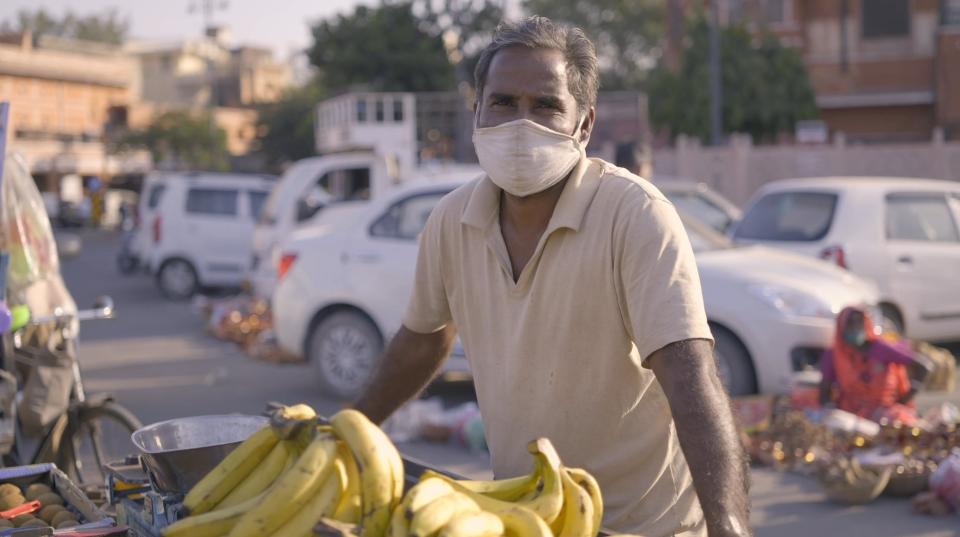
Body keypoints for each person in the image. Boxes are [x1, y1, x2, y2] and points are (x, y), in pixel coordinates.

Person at [353, 17, 749, 537]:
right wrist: (347, 432)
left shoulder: (635, 215)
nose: (521, 125)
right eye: (502, 103)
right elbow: (422, 341)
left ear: (583, 125)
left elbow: (688, 371)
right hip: (522, 517)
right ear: (477, 111)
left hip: (643, 525)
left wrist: (728, 523)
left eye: (545, 106)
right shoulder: (452, 221)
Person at [819, 306, 931, 424]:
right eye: (850, 324)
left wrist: (903, 400)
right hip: (850, 415)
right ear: (842, 328)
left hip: (885, 413)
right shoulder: (834, 355)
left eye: (859, 323)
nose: (855, 327)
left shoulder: (880, 348)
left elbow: (923, 367)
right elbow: (825, 390)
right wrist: (830, 411)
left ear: (866, 324)